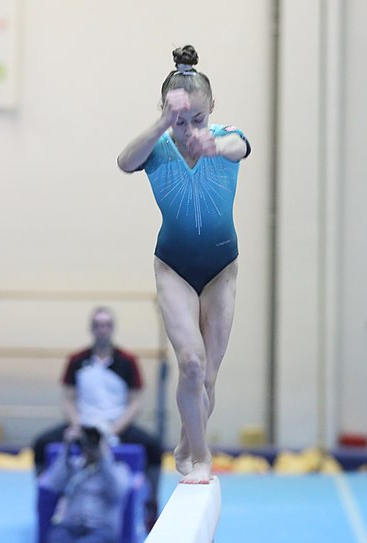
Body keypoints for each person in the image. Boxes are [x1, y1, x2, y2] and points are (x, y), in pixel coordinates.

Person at [117, 45, 250, 484]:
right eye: (180, 120)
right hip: (173, 266)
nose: (189, 129)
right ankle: (200, 454)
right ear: (164, 113)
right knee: (189, 364)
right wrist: (161, 126)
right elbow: (124, 163)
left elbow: (240, 146)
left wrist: (213, 144)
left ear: (212, 108)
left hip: (221, 269)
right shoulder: (156, 145)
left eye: (198, 119)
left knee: (207, 378)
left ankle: (188, 439)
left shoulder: (224, 136)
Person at [32, 306, 162, 529]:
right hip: (84, 422)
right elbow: (68, 399)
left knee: (154, 447)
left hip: (115, 424)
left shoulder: (128, 361)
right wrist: (76, 426)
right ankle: (47, 502)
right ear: (91, 329)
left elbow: (135, 402)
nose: (102, 329)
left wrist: (114, 430)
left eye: (107, 325)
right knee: (40, 444)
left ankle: (151, 504)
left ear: (113, 329)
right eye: (98, 325)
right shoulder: (76, 360)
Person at [36, 422, 132, 543]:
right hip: (70, 527)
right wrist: (66, 448)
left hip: (102, 531)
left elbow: (116, 493)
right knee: (58, 534)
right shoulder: (73, 466)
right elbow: (52, 485)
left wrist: (103, 456)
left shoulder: (119, 469)